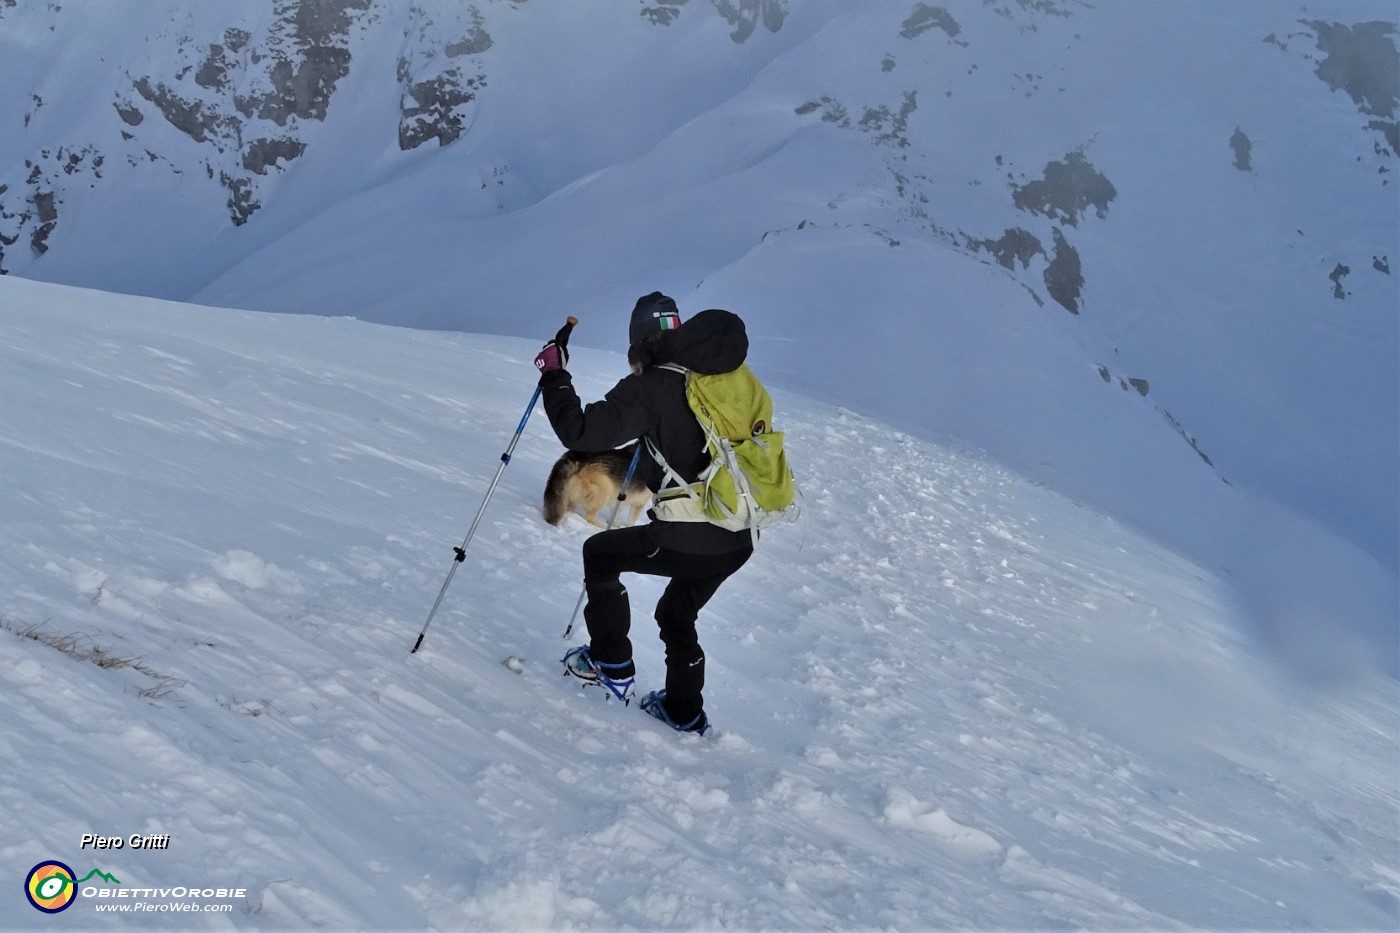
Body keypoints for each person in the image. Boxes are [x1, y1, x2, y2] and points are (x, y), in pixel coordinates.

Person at [533, 292, 755, 735]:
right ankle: (683, 711)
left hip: (688, 536)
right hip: (738, 536)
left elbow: (579, 431)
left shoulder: (654, 385)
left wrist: (555, 376)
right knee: (677, 614)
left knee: (600, 554)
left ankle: (610, 662)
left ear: (639, 344)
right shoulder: (731, 380)